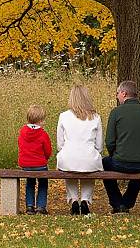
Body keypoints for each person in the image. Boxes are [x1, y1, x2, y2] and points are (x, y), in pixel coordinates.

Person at [102, 80, 140, 213]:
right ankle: (127, 202)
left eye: (117, 93)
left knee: (104, 163)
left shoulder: (116, 112)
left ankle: (117, 203)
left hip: (121, 162)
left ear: (124, 93)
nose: (117, 96)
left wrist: (115, 155)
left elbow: (109, 141)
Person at [56, 85, 103, 215]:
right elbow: (99, 145)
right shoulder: (96, 117)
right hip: (89, 158)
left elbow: (60, 144)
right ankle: (85, 200)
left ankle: (73, 200)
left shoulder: (63, 116)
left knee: (70, 165)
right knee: (88, 167)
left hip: (68, 158)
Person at [18, 104, 52, 215]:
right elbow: (48, 151)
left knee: (30, 183)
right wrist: (45, 158)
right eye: (43, 120)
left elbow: (20, 145)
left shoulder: (22, 131)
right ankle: (41, 207)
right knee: (43, 183)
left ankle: (29, 206)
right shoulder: (43, 134)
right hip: (40, 164)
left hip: (26, 165)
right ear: (40, 121)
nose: (44, 123)